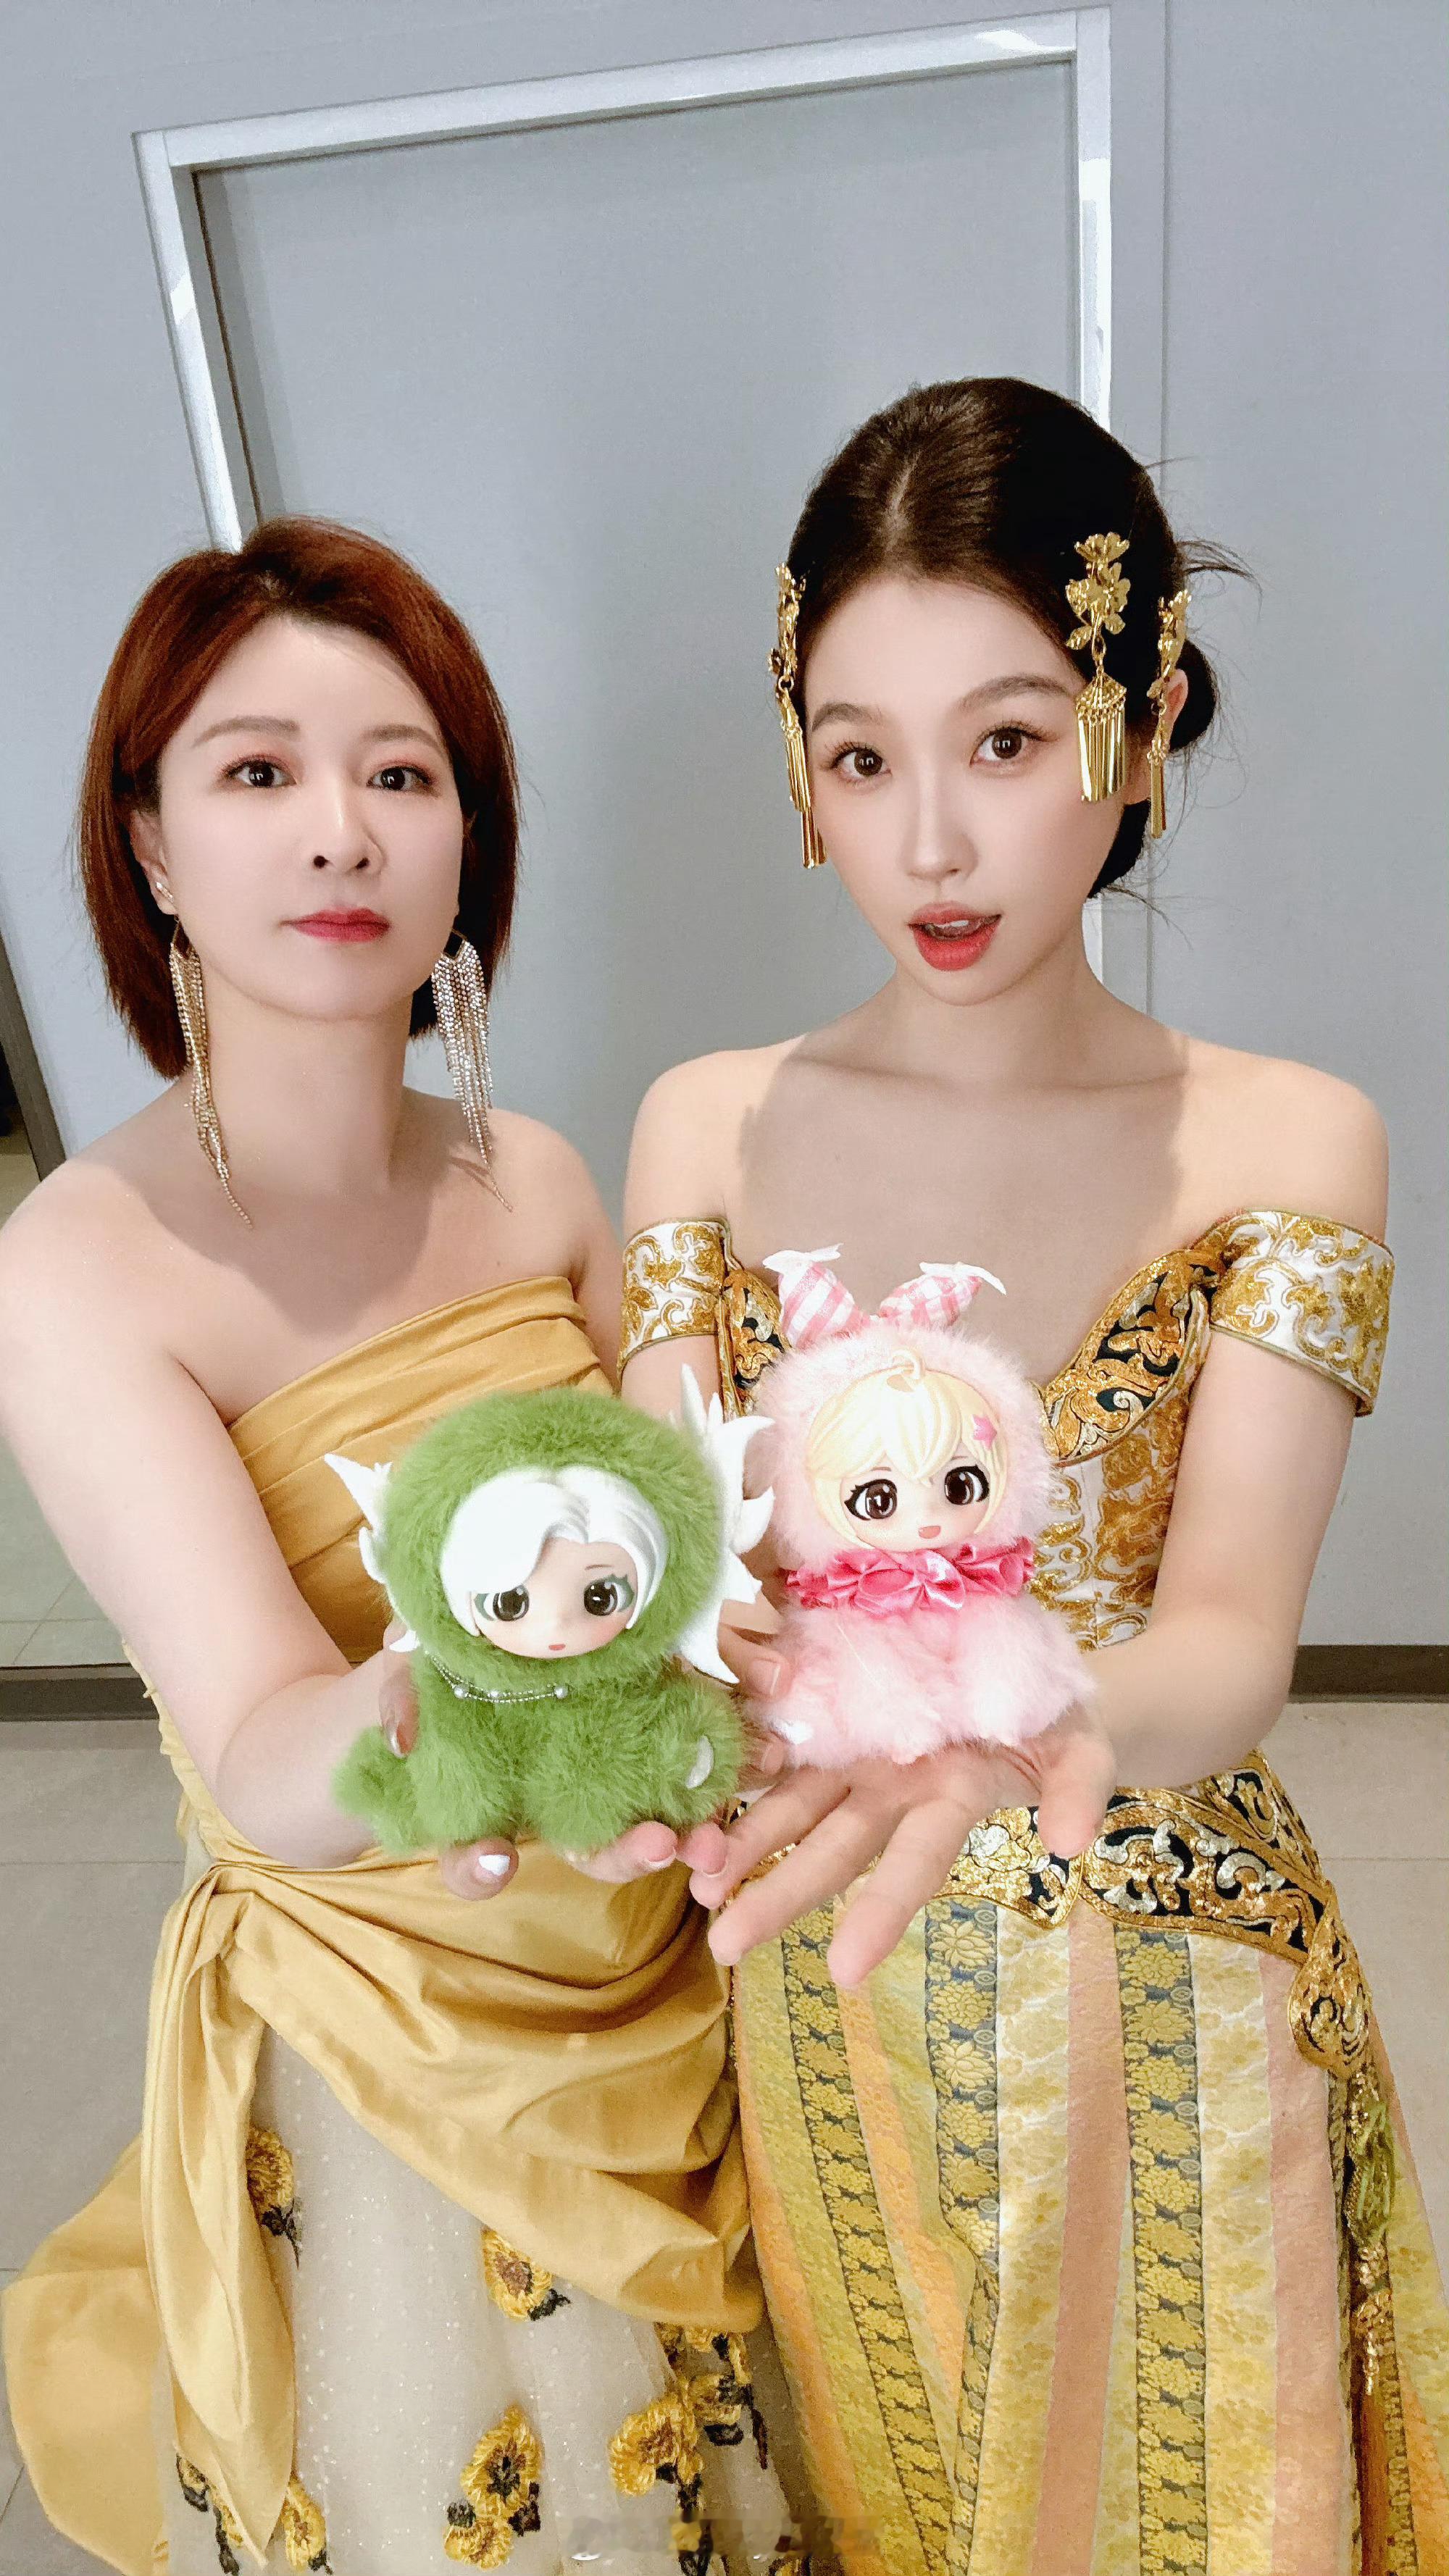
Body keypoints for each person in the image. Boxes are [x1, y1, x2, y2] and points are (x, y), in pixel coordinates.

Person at [619, 380, 1449, 2571]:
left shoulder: (1293, 1140)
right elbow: (687, 1574)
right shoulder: (705, 1123)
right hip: (829, 1974)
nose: (929, 846)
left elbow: (1229, 1644)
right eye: (859, 755)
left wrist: (1029, 1715)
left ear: (1141, 720)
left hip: (1157, 1974)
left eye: (1003, 742)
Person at [0, 522, 807, 2576]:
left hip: (665, 1939)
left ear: (469, 837)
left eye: (402, 771)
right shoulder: (81, 1265)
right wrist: (445, 1711)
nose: (340, 829)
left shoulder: (543, 1178)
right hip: (399, 2014)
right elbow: (265, 1740)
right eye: (258, 771)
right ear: (150, 841)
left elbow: (695, 1555)